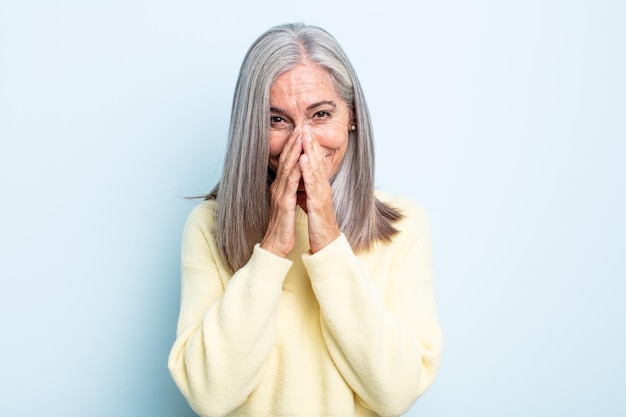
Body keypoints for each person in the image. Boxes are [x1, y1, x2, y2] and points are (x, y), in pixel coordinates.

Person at [168, 23, 443, 417]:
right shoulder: (207, 227)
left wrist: (329, 243)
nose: (302, 145)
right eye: (277, 120)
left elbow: (396, 393)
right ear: (252, 130)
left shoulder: (404, 226)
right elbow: (209, 397)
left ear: (352, 118)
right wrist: (272, 251)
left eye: (321, 114)